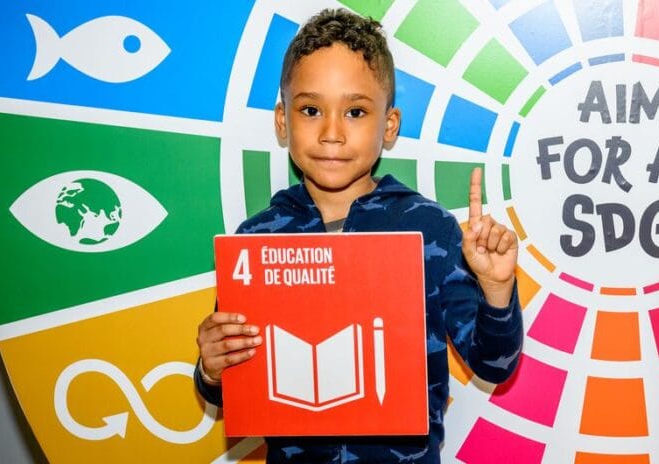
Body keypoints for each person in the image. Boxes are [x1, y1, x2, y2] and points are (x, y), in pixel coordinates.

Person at [193, 8, 523, 463]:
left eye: (355, 112)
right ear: (282, 120)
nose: (332, 133)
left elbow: (493, 363)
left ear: (389, 126)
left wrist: (497, 288)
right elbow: (233, 390)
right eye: (311, 110)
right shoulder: (256, 240)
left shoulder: (429, 228)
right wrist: (211, 369)